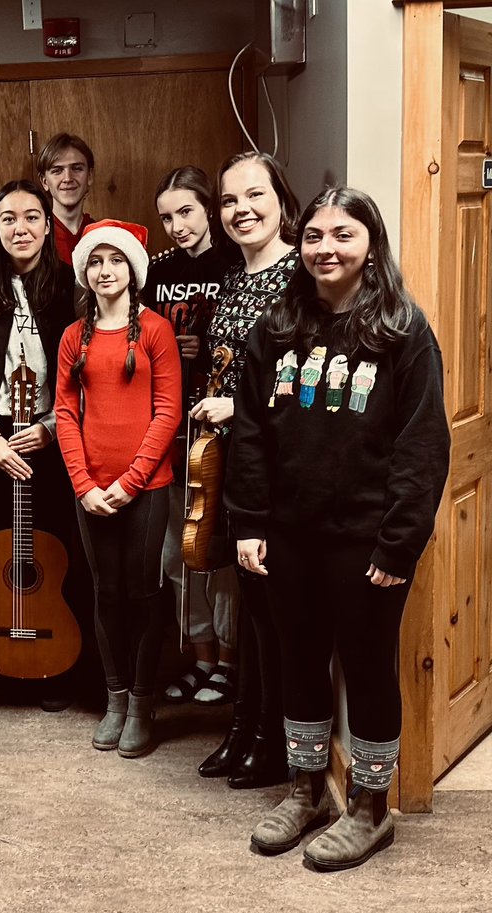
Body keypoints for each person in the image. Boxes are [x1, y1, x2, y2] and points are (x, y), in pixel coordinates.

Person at [227, 187, 449, 870]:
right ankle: (306, 790)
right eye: (315, 235)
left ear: (370, 244)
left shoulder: (403, 331)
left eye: (343, 235)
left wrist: (399, 540)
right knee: (298, 660)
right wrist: (249, 522)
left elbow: (422, 444)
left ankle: (370, 807)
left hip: (367, 538)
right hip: (287, 534)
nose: (326, 247)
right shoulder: (274, 328)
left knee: (367, 666)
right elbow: (249, 432)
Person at [192, 151, 301, 788]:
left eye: (254, 196)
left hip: (280, 466)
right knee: (251, 603)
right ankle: (244, 727)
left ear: (280, 200)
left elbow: (304, 374)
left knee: (272, 609)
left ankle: (274, 740)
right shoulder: (236, 275)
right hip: (235, 463)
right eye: (230, 201)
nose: (242, 211)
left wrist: (237, 405)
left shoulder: (298, 277)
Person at [54, 220, 181, 758]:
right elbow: (63, 412)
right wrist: (84, 485)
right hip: (91, 489)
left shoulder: (155, 330)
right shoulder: (73, 336)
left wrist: (131, 483)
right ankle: (115, 698)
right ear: (86, 272)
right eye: (97, 262)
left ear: (133, 269)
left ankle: (143, 704)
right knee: (105, 592)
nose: (106, 271)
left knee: (142, 593)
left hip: (146, 488)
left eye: (116, 261)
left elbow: (168, 411)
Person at [0, 179, 80, 708]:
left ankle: (55, 668)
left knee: (55, 547)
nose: (20, 228)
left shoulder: (72, 283)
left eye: (31, 217)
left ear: (48, 224)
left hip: (53, 433)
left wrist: (50, 428)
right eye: (8, 218)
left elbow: (78, 369)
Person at [142, 166, 241, 707]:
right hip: (170, 424)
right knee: (177, 552)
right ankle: (200, 657)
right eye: (166, 217)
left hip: (219, 422)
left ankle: (228, 659)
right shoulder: (156, 272)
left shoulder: (233, 265)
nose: (176, 225)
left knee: (219, 551)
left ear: (208, 209)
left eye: (185, 212)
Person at [35, 132, 95, 265]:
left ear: (90, 176)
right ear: (44, 181)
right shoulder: (34, 237)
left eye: (77, 168)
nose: (67, 178)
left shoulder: (102, 234)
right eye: (57, 171)